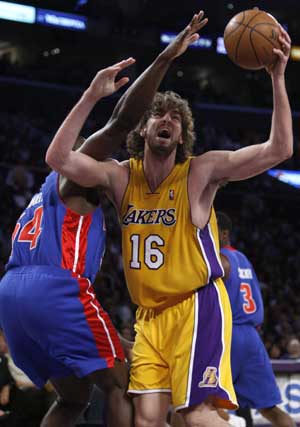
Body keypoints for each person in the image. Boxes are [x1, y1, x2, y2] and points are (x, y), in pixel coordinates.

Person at [45, 9, 293, 426]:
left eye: (176, 119)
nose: (167, 120)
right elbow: (57, 159)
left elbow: (279, 149)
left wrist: (277, 77)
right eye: (159, 115)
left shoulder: (200, 171)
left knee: (196, 418)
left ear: (182, 135)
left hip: (196, 305)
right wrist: (91, 95)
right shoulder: (121, 176)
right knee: (146, 420)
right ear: (143, 130)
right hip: (149, 317)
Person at [0, 12, 208, 427]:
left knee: (74, 397)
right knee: (127, 384)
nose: (108, 160)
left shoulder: (44, 196)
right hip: (54, 287)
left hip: (12, 297)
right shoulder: (77, 175)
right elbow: (122, 122)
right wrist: (165, 59)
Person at [217, 211, 295, 427]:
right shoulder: (243, 258)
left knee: (197, 405)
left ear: (224, 234)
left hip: (228, 334)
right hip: (252, 336)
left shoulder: (219, 259)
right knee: (270, 409)